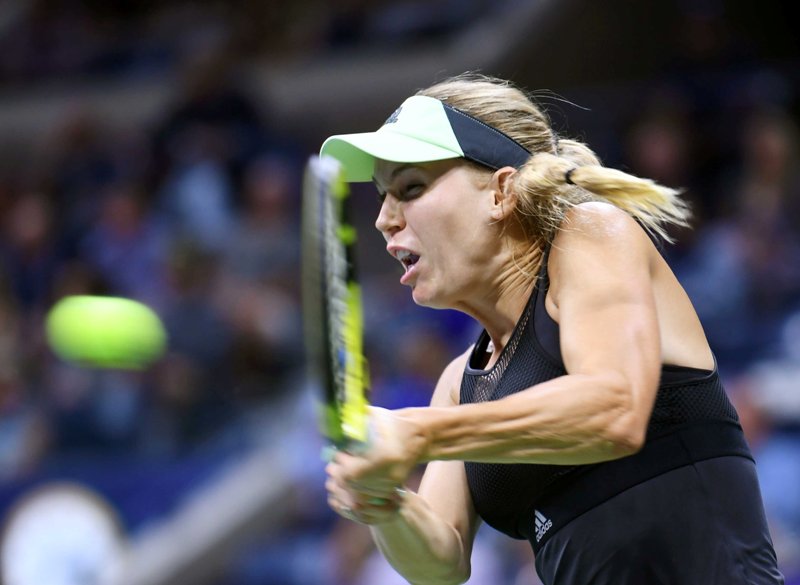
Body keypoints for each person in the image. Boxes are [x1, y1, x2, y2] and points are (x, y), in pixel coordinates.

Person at [320, 73, 784, 585]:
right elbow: (440, 563)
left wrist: (417, 433)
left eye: (410, 188)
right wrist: (384, 500)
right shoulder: (459, 385)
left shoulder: (592, 233)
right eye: (383, 196)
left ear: (500, 192)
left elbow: (614, 410)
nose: (384, 219)